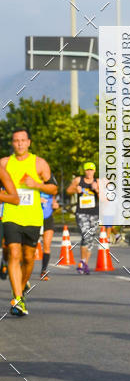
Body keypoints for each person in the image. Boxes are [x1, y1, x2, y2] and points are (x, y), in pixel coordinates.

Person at [0, 128, 51, 315]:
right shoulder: (4, 164)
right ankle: (18, 299)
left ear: (29, 142)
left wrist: (36, 184)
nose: (19, 143)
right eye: (16, 141)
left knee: (29, 258)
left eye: (23, 140)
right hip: (11, 215)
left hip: (33, 217)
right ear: (12, 143)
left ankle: (19, 292)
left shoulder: (39, 163)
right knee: (14, 253)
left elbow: (53, 187)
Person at [66, 163, 100, 275]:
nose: (89, 172)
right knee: (85, 234)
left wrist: (97, 190)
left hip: (94, 213)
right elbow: (68, 190)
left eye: (91, 170)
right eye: (87, 170)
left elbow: (105, 199)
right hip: (81, 213)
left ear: (94, 171)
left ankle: (84, 263)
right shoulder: (78, 180)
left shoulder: (98, 182)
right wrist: (76, 189)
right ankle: (81, 261)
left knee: (90, 238)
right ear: (84, 171)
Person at [39, 171, 59, 279]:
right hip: (34, 218)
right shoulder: (33, 187)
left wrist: (55, 205)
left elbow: (54, 201)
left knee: (46, 245)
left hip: (48, 218)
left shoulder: (51, 188)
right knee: (29, 249)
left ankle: (44, 271)